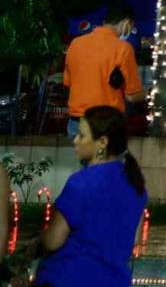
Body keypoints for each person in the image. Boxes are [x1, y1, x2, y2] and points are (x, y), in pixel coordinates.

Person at [34, 106, 149, 287]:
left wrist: (37, 240)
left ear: (102, 142)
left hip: (69, 278)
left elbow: (53, 241)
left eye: (82, 135)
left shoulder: (81, 182)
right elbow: (134, 240)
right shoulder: (137, 185)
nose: (75, 140)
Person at [63, 4, 145, 138]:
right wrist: (151, 94)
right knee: (111, 159)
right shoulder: (123, 48)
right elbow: (132, 95)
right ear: (126, 23)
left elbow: (67, 82)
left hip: (76, 123)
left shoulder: (75, 44)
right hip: (105, 124)